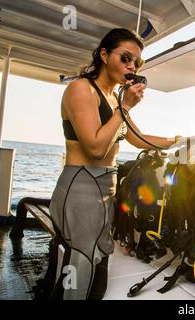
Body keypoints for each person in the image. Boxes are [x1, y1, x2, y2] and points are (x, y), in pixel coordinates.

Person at [49, 28, 179, 300]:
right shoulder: (81, 89)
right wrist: (126, 108)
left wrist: (181, 141)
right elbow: (95, 148)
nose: (132, 66)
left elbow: (138, 138)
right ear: (105, 55)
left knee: (102, 256)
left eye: (137, 62)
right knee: (82, 262)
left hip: (106, 185)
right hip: (80, 186)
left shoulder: (114, 98)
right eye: (126, 57)